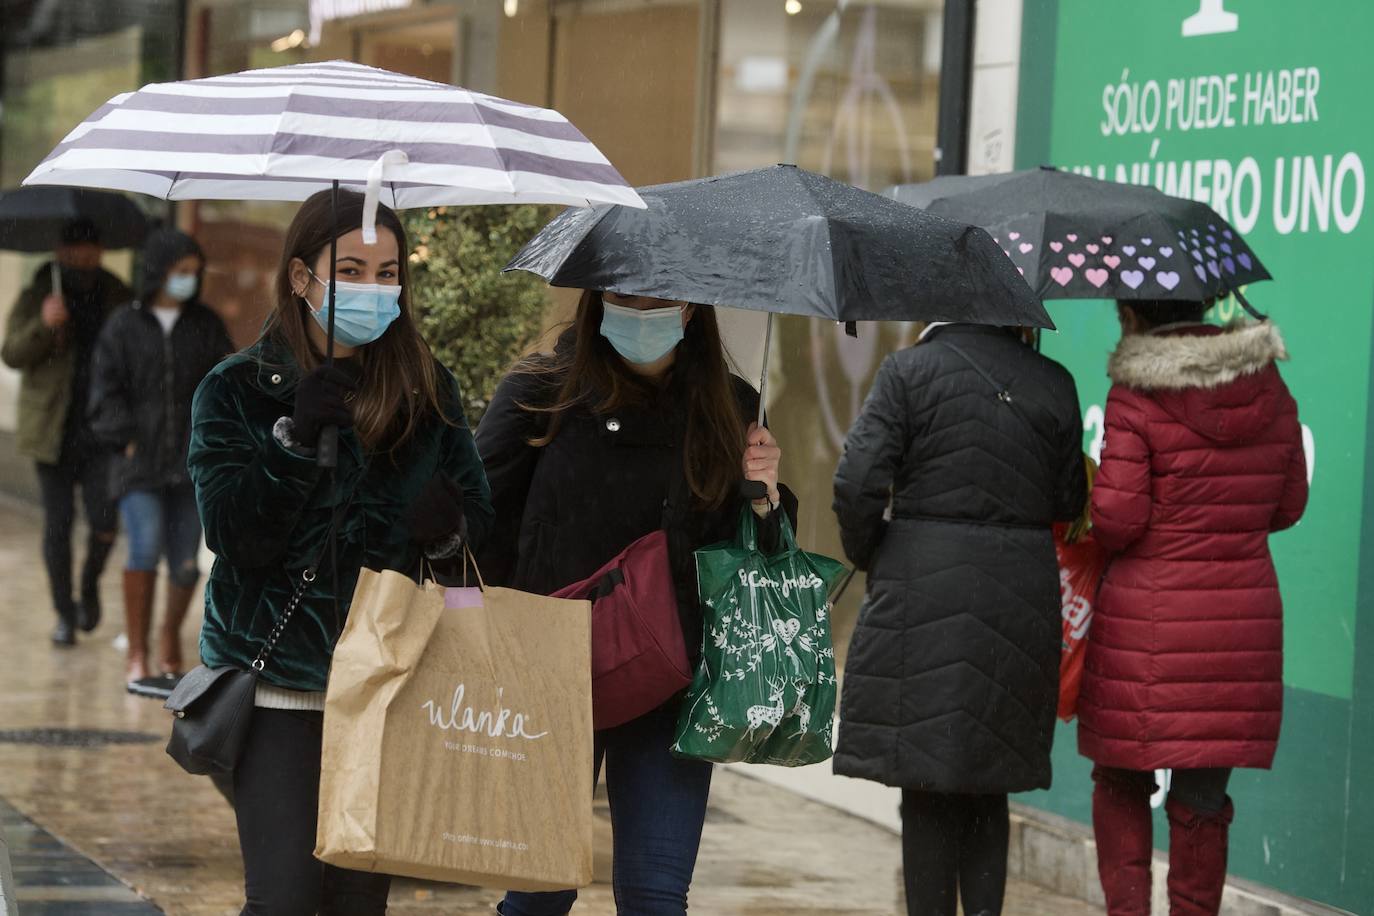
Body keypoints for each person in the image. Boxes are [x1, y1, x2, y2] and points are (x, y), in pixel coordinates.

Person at [187, 189, 493, 915]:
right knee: (285, 899)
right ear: (301, 278)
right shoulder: (235, 391)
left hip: (386, 683)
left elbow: (477, 537)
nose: (373, 289)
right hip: (275, 684)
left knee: (358, 903)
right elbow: (232, 535)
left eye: (388, 274)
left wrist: (448, 534)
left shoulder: (427, 391)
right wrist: (291, 443)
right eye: (351, 269)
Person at [476, 289, 794, 916]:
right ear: (599, 298)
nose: (642, 308)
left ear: (691, 309)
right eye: (626, 292)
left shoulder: (732, 407)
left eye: (662, 296)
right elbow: (481, 517)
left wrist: (765, 498)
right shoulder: (542, 390)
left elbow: (758, 562)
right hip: (549, 672)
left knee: (655, 894)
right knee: (539, 890)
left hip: (671, 675)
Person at [831, 322, 1087, 916]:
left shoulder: (907, 371)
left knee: (924, 784)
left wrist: (876, 553)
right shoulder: (1054, 382)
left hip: (922, 588)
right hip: (1019, 593)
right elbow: (1069, 499)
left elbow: (856, 480)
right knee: (989, 782)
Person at [1080, 301, 1307, 916]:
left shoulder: (1136, 391)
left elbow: (1118, 521)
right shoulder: (1270, 386)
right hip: (1239, 628)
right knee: (1203, 803)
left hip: (1146, 631)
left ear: (1134, 311)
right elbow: (1288, 506)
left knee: (1123, 783)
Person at [89, 228, 233, 693]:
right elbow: (103, 391)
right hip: (139, 468)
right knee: (144, 548)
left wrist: (213, 441)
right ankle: (137, 652)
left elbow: (224, 385)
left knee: (187, 563)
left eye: (194, 272)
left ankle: (169, 637)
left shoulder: (207, 325)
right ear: (158, 271)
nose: (189, 280)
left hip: (192, 466)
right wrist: (125, 437)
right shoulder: (122, 326)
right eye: (181, 272)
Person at [2, 218, 130, 646]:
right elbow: (13, 354)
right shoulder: (40, 291)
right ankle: (63, 612)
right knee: (57, 526)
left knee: (104, 522)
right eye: (74, 248)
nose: (82, 256)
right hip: (52, 430)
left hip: (100, 431)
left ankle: (89, 585)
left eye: (90, 247)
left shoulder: (117, 293)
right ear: (59, 250)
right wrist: (44, 323)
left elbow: (132, 355)